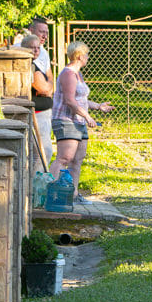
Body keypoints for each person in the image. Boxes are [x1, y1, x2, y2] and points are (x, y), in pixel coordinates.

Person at [50, 41, 114, 202]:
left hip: (78, 121)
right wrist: (87, 116)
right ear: (79, 56)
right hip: (66, 120)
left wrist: (98, 106)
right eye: (86, 55)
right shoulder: (68, 74)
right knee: (64, 158)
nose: (87, 57)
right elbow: (70, 101)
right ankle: (51, 193)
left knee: (78, 159)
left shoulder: (78, 74)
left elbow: (81, 99)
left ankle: (73, 194)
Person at [21, 34, 54, 165]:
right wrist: (50, 84)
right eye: (32, 47)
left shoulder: (35, 64)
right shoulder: (30, 67)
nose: (36, 51)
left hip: (42, 115)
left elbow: (47, 90)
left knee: (40, 154)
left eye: (38, 48)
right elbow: (45, 90)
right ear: (23, 48)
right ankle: (36, 183)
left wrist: (48, 87)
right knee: (42, 153)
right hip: (37, 117)